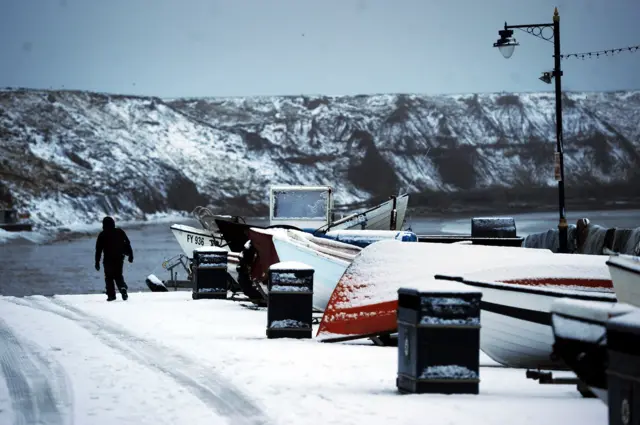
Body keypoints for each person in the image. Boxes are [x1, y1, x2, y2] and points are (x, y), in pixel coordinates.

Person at [95, 216, 133, 301]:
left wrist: (97, 262)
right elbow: (127, 243)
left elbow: (98, 250)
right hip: (119, 258)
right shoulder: (120, 231)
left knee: (108, 277)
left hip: (108, 260)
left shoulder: (102, 235)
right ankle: (122, 287)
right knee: (118, 275)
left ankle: (111, 295)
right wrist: (131, 255)